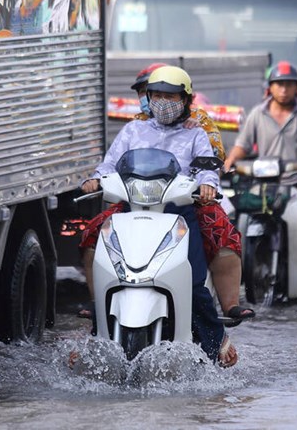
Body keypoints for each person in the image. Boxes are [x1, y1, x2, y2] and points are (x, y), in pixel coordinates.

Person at [80, 65, 238, 367]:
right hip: (133, 209)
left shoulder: (196, 132)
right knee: (110, 269)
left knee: (191, 282)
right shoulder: (133, 129)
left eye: (171, 96)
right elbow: (110, 164)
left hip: (177, 212)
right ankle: (96, 338)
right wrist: (95, 179)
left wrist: (206, 184)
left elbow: (208, 167)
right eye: (157, 95)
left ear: (185, 99)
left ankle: (216, 340)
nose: (163, 102)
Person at [223, 60, 297, 282]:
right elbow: (242, 145)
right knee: (237, 216)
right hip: (265, 182)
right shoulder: (257, 114)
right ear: (270, 87)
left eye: (289, 84)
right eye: (279, 84)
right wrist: (230, 160)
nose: (284, 89)